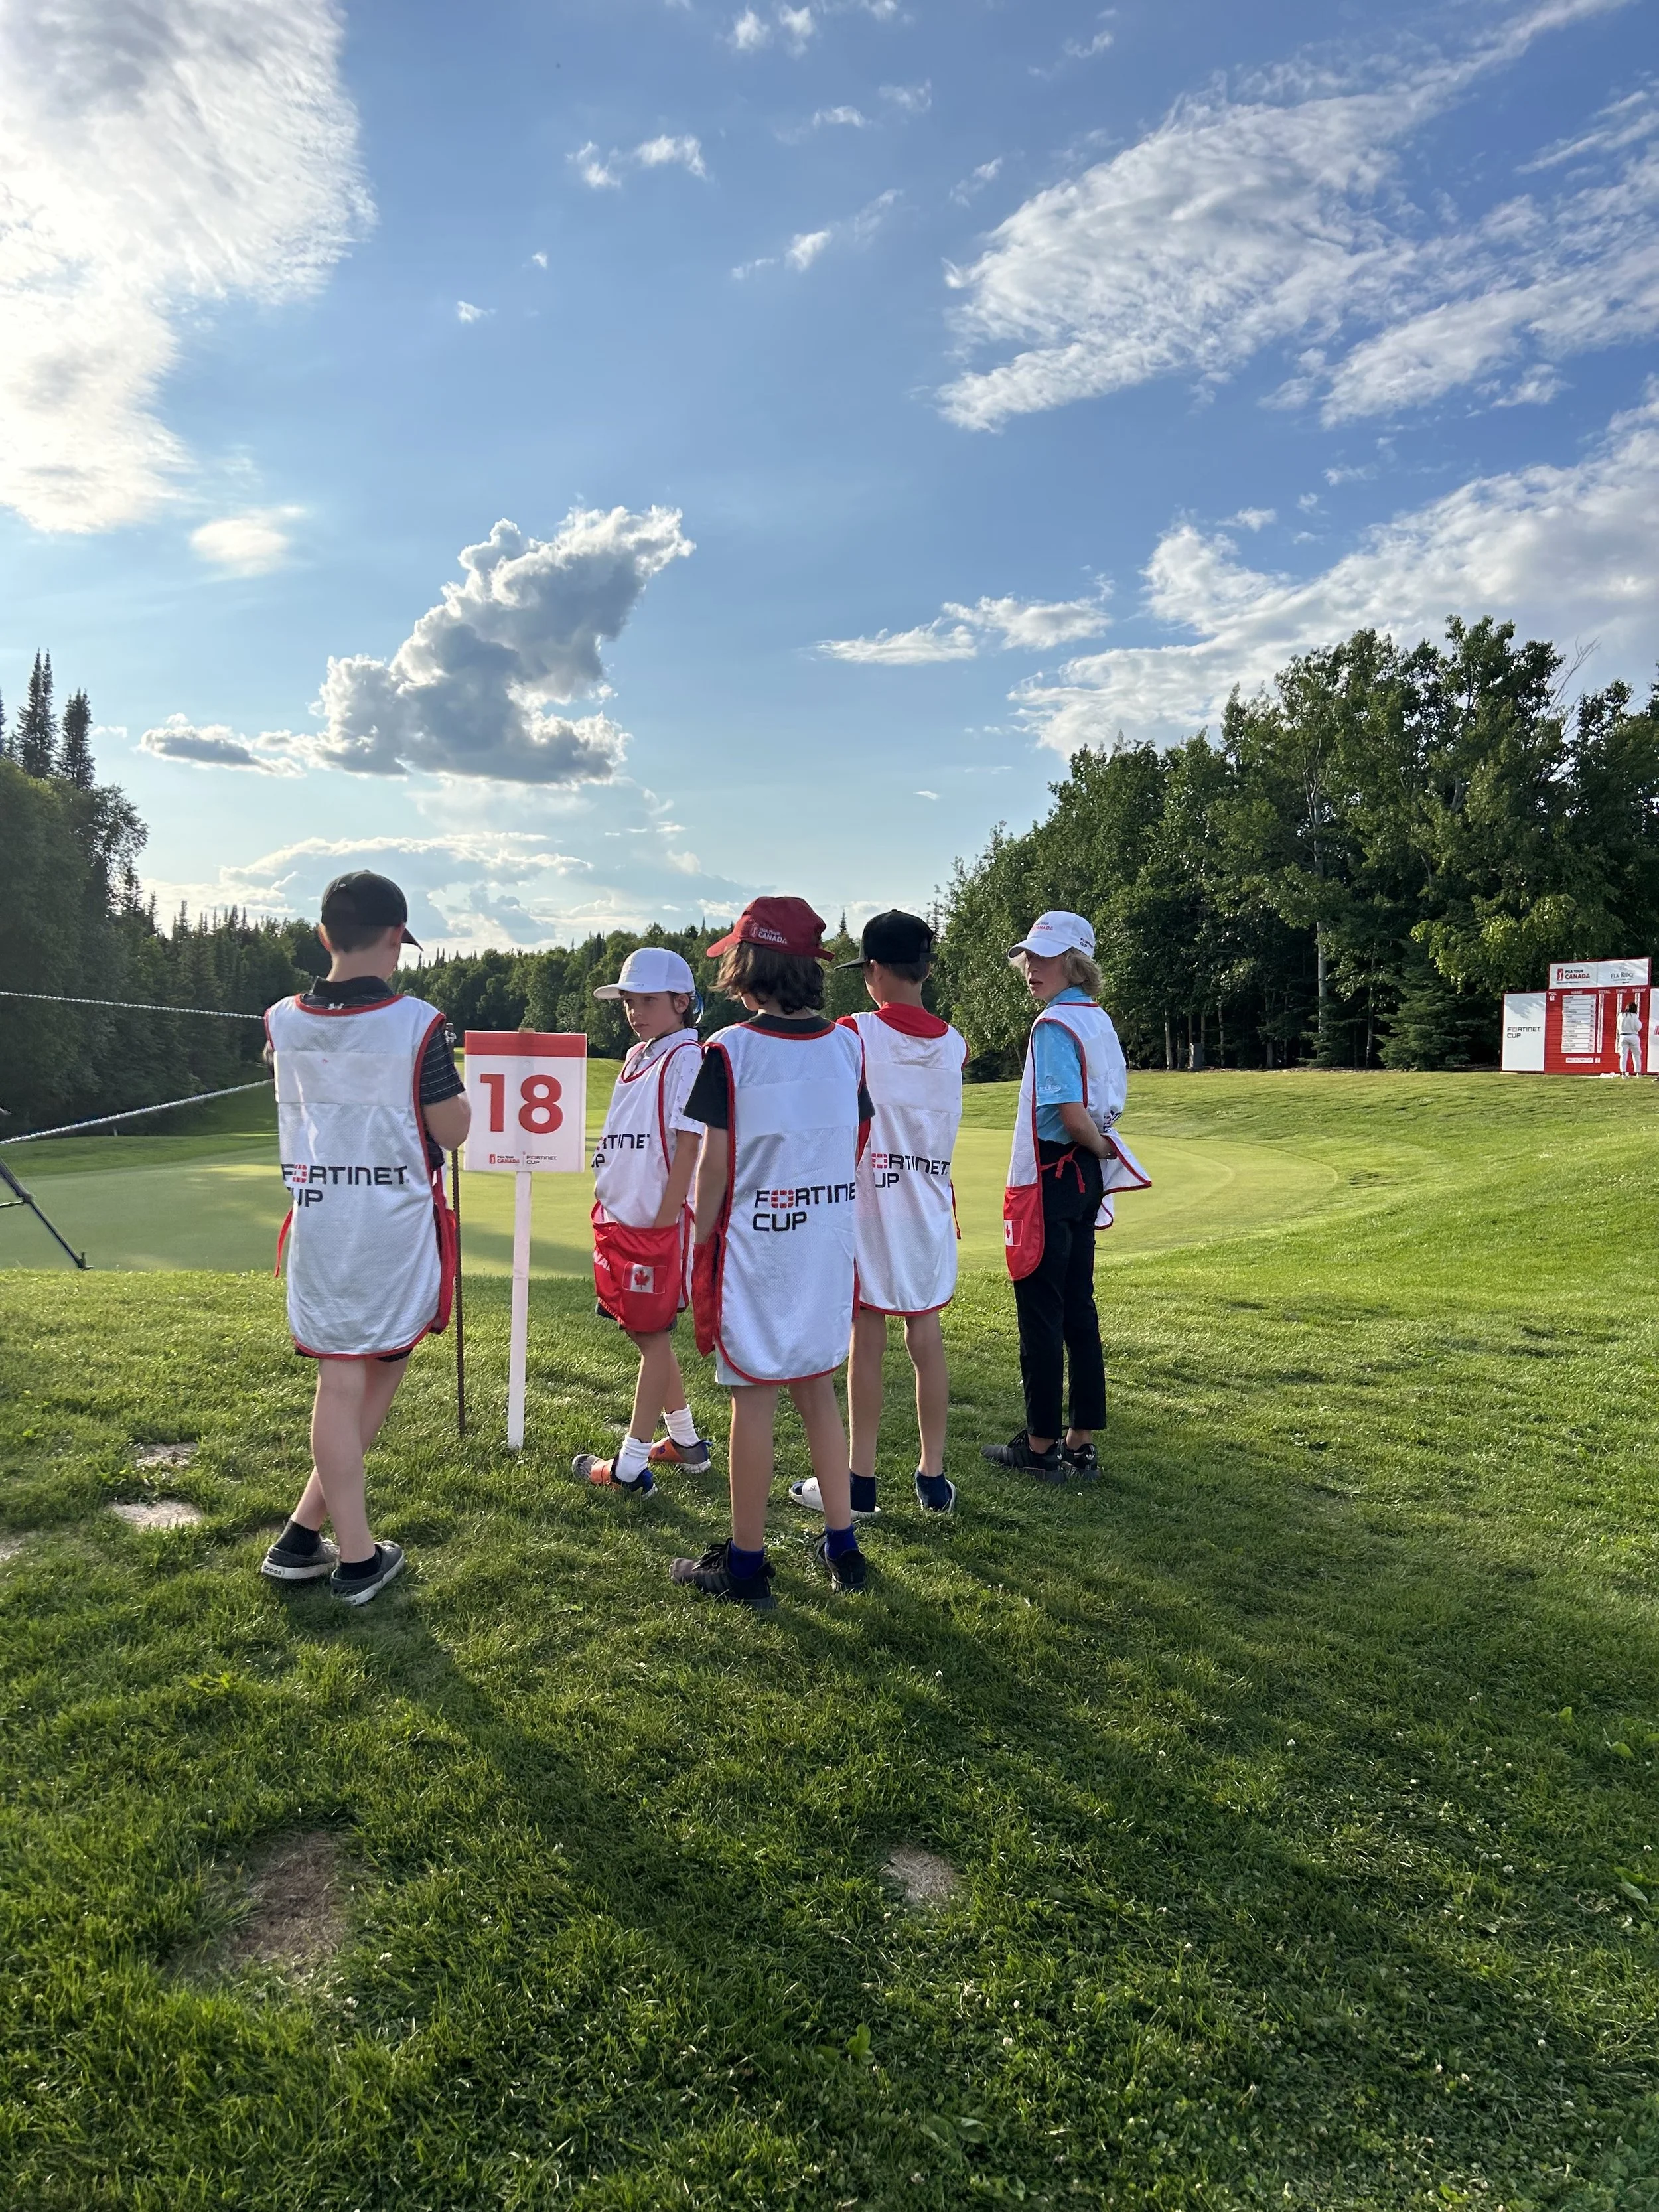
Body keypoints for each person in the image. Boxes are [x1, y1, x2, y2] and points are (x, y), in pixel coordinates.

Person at [259, 871, 470, 1604]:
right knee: (351, 1377)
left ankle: (299, 1536)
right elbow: (450, 1127)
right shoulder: (417, 1022)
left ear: (325, 936)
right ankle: (356, 1561)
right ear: (393, 938)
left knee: (366, 1368)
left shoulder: (282, 1019)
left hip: (320, 1219)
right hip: (390, 1226)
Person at [670, 897, 874, 1608]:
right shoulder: (848, 1044)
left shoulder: (729, 1050)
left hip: (756, 1248)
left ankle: (748, 1563)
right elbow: (856, 1140)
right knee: (817, 1387)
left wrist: (693, 1244)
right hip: (823, 1243)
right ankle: (843, 1544)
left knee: (751, 1397)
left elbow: (715, 1170)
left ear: (747, 965)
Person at [787, 909, 966, 1521]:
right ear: (927, 969)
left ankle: (860, 1483)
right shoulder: (956, 1042)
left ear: (876, 971)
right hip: (930, 1206)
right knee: (926, 1333)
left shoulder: (854, 1031)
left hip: (870, 1205)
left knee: (868, 1333)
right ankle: (933, 1477)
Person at [982, 911, 1145, 1483]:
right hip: (1082, 1178)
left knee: (1043, 1313)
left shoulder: (1055, 1025)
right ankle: (1080, 1442)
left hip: (1056, 1176)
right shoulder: (1097, 1020)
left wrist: (1099, 1147)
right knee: (1079, 1307)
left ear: (1075, 962)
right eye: (1029, 956)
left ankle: (1041, 1443)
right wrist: (1101, 1152)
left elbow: (1072, 1116)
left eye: (1045, 957)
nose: (1031, 967)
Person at [573, 947, 712, 1493]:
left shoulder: (684, 1057)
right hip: (620, 1214)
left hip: (655, 1220)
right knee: (640, 1329)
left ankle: (630, 1465)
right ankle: (685, 1441)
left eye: (648, 1000)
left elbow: (689, 1144)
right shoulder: (638, 1055)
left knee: (651, 1333)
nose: (635, 1010)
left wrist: (664, 1217)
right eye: (629, 1001)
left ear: (682, 1002)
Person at [1617, 995, 1642, 1077]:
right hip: (1633, 1036)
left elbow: (1618, 1026)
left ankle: (1623, 1074)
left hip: (1623, 1036)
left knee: (1623, 1055)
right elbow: (1638, 1027)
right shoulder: (1634, 1016)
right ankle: (1638, 1073)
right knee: (1636, 1055)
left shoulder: (1620, 1015)